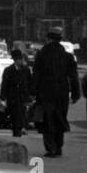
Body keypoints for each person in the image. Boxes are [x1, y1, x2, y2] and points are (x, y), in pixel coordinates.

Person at [32, 27, 81, 157]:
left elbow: (36, 75)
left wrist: (32, 92)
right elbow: (73, 77)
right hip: (62, 93)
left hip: (45, 93)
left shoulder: (41, 55)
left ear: (48, 38)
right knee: (60, 118)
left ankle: (51, 147)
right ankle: (58, 146)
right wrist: (76, 94)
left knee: (47, 120)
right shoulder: (67, 56)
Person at [0, 49, 33, 137]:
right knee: (14, 115)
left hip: (23, 97)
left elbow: (30, 83)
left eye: (21, 59)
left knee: (22, 114)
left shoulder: (26, 70)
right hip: (13, 97)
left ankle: (21, 128)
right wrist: (2, 97)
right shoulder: (8, 70)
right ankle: (16, 131)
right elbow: (5, 84)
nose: (21, 61)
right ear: (15, 60)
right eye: (19, 59)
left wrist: (31, 95)